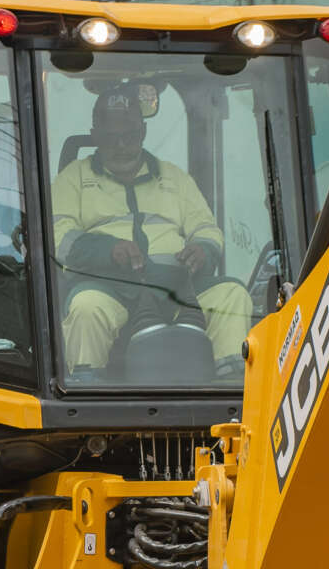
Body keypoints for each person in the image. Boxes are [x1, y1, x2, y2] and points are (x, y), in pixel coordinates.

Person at [50, 85, 252, 374]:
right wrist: (108, 250)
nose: (121, 146)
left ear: (143, 132)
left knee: (232, 294)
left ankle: (233, 389)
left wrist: (202, 250)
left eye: (129, 136)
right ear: (95, 134)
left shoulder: (174, 177)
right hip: (108, 286)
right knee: (86, 307)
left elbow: (206, 227)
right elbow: (59, 235)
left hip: (178, 287)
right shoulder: (72, 179)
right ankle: (85, 386)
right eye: (111, 137)